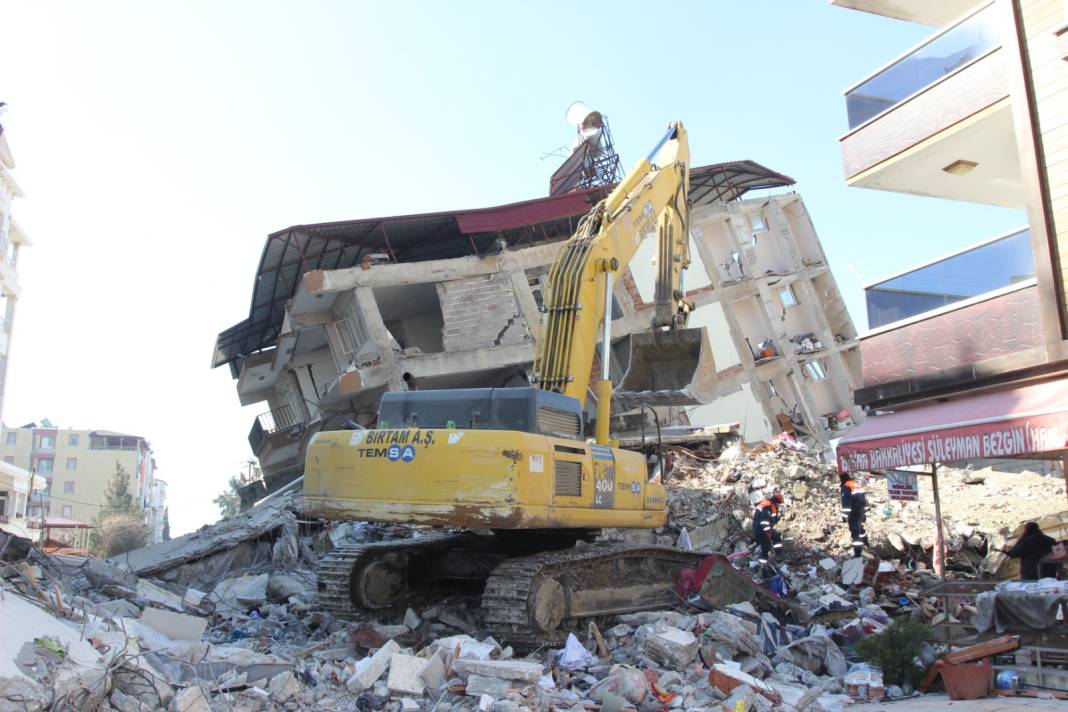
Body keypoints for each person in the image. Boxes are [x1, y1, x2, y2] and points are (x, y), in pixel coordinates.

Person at [840, 473, 868, 557]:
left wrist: (844, 516)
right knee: (861, 528)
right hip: (861, 511)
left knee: (855, 532)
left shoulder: (846, 486)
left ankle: (857, 553)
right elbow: (864, 500)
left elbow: (846, 502)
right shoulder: (856, 484)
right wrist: (864, 514)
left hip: (854, 512)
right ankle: (866, 543)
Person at [752, 491, 785, 564]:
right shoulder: (768, 506)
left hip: (761, 528)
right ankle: (762, 565)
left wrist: (779, 517)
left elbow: (772, 520)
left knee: (776, 536)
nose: (779, 505)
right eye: (779, 503)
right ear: (777, 501)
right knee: (766, 547)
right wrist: (768, 532)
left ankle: (779, 555)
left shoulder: (769, 504)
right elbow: (764, 521)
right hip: (761, 529)